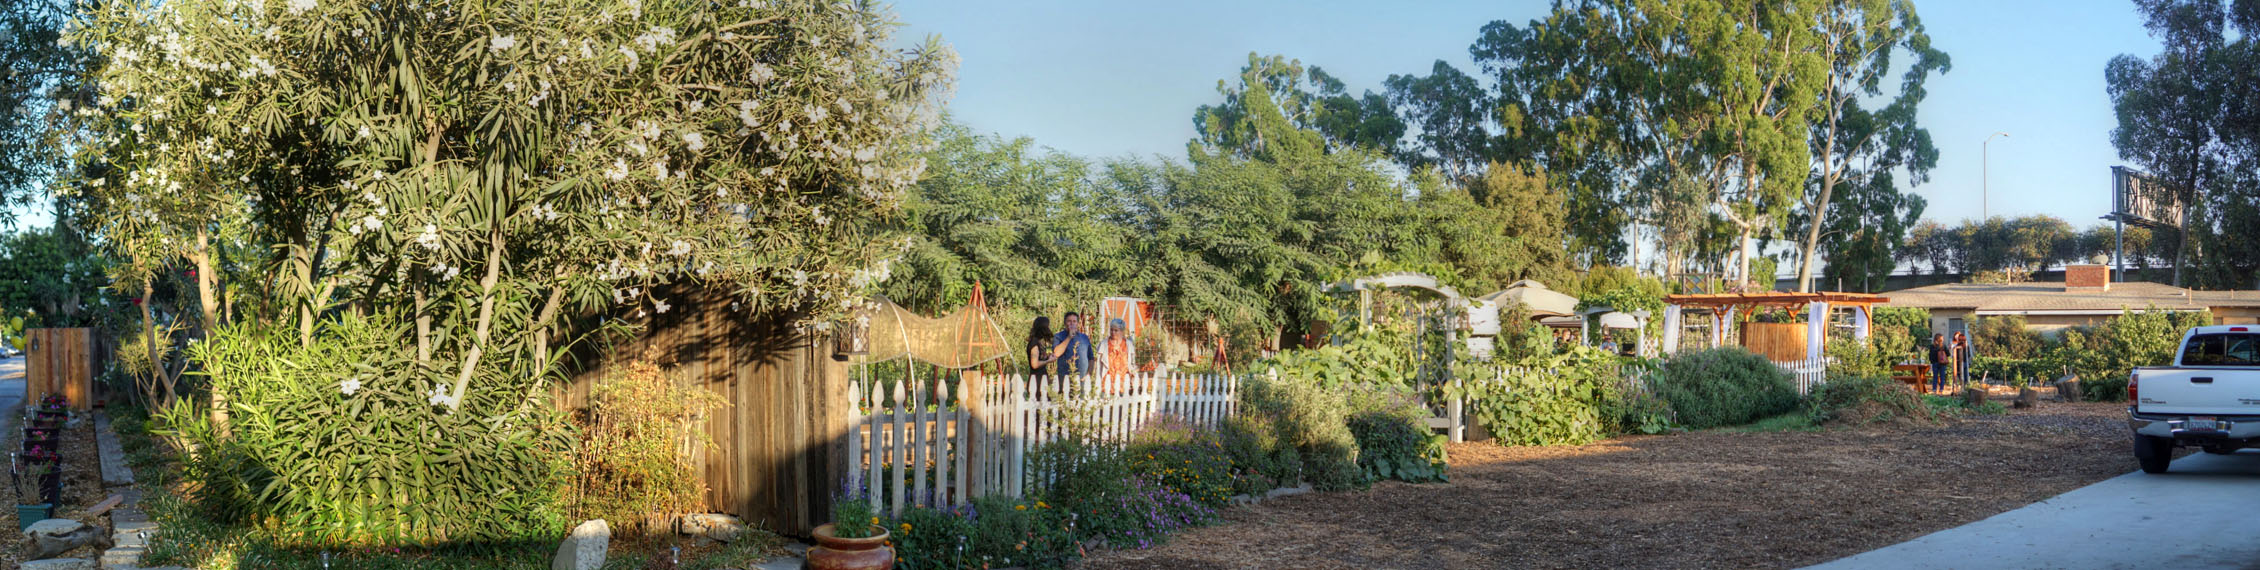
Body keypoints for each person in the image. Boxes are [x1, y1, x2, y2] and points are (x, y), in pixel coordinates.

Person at [1052, 312, 1095, 377]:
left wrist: (1089, 374)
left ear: (1078, 323)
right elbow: (1056, 354)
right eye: (1069, 321)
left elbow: (1091, 358)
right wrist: (1069, 337)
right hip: (1065, 378)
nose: (1072, 323)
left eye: (1074, 321)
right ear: (1065, 323)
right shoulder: (1058, 336)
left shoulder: (1084, 337)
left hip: (1082, 378)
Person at [1103, 318, 1132, 391]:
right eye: (1111, 330)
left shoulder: (1128, 345)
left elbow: (1131, 363)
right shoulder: (1104, 344)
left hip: (1123, 383)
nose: (1113, 332)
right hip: (1107, 383)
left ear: (1122, 331)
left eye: (1116, 330)